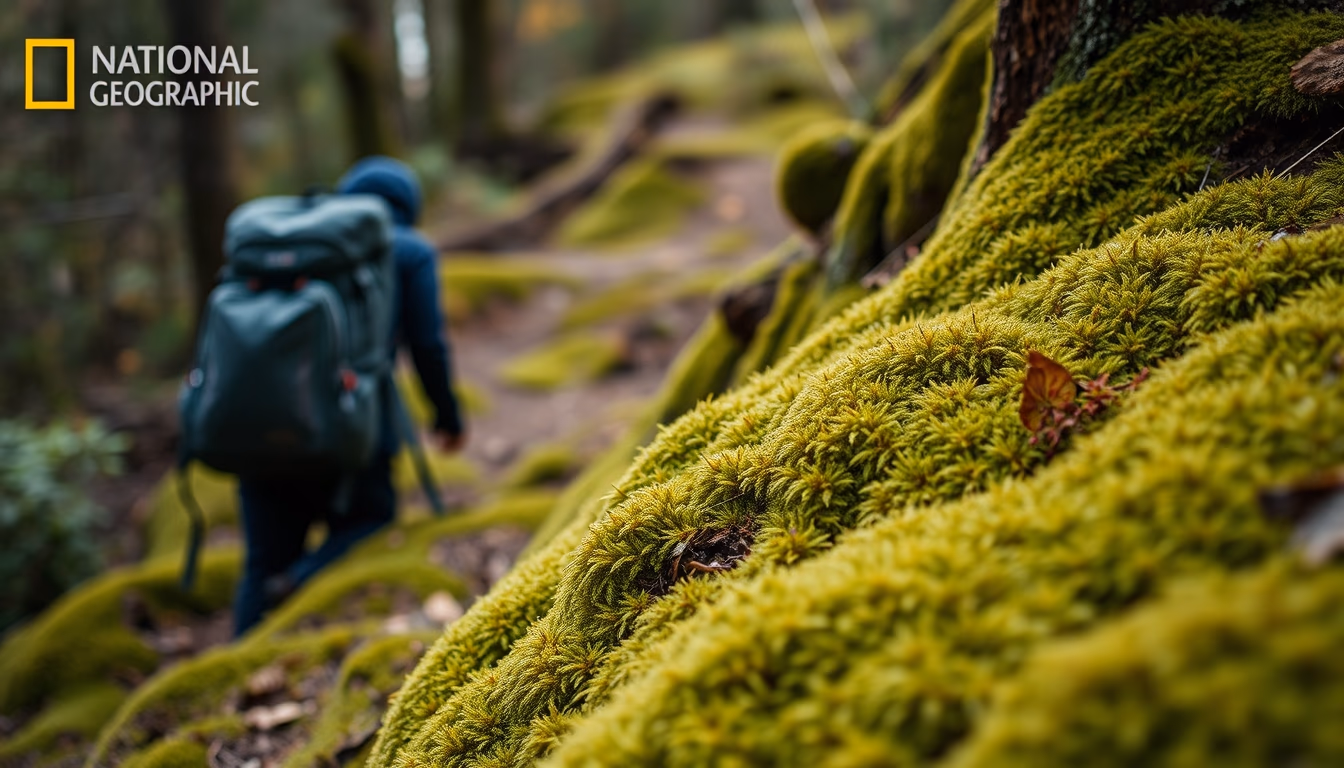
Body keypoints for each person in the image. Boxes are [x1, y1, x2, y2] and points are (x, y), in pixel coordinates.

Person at [232, 156, 465, 636]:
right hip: (352, 425)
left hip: (255, 424)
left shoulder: (284, 244)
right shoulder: (406, 251)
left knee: (260, 563)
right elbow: (428, 345)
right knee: (371, 519)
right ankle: (299, 582)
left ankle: (235, 666)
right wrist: (447, 416)